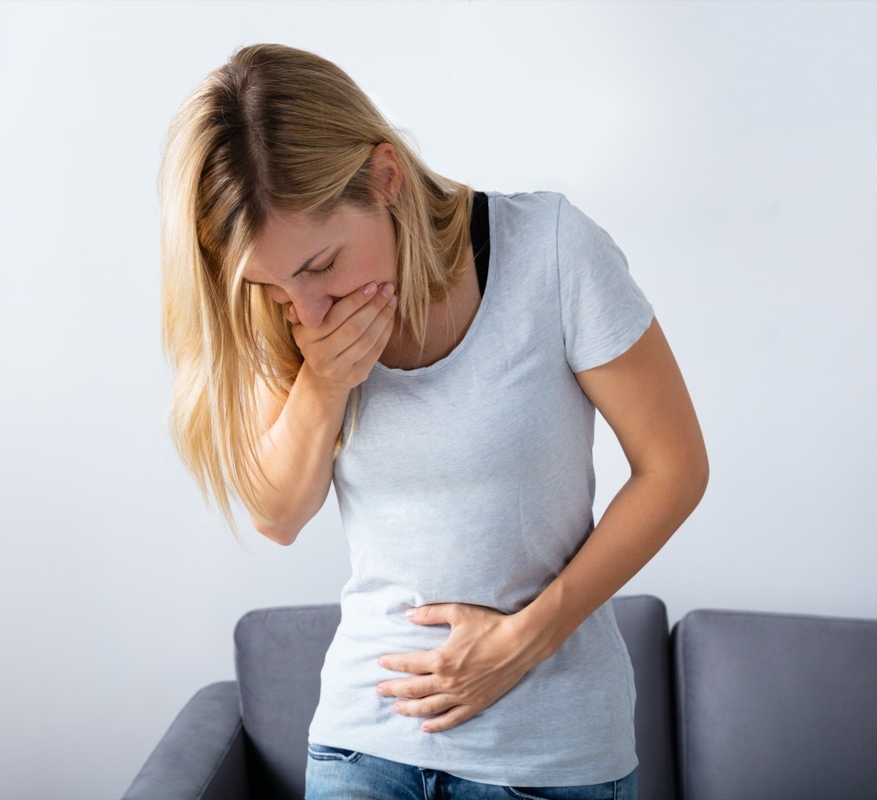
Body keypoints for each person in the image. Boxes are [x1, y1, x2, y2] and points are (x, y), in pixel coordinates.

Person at [158, 43, 708, 800]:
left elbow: (674, 468)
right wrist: (323, 382)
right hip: (364, 743)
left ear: (385, 176)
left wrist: (524, 641)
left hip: (548, 756)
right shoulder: (289, 316)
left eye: (321, 266)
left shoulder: (552, 250)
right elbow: (277, 516)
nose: (306, 309)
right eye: (275, 288)